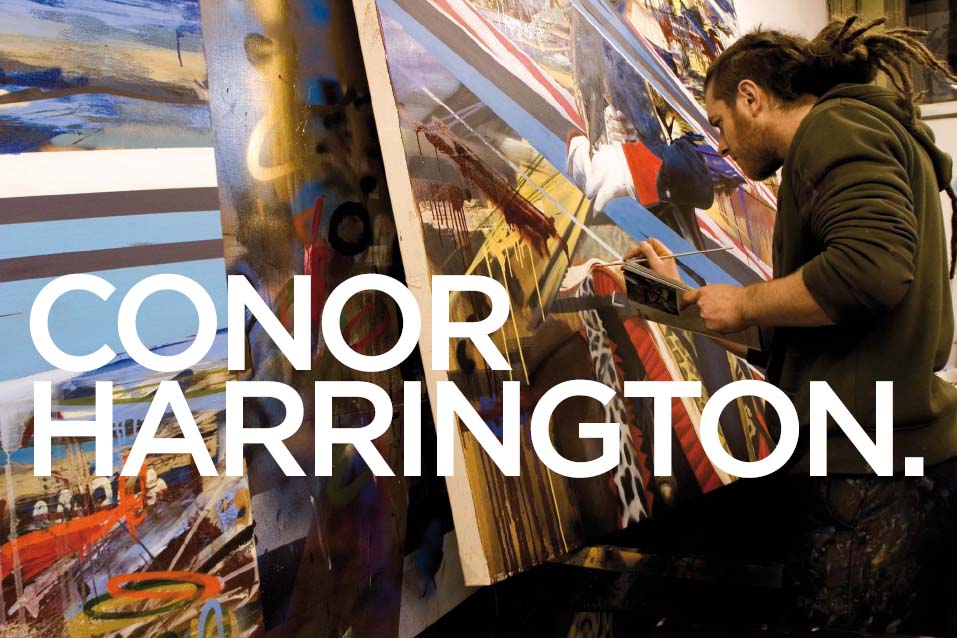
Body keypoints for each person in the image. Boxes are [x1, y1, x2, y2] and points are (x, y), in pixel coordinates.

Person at [629, 16, 957, 634]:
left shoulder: (834, 128)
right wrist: (676, 300)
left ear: (751, 96)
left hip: (867, 479)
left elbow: (869, 271)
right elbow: (800, 325)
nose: (721, 146)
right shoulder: (855, 133)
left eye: (720, 123)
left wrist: (746, 302)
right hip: (880, 468)